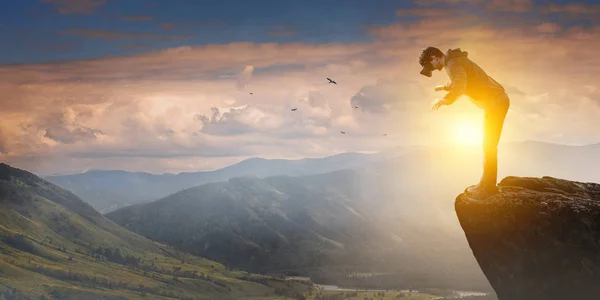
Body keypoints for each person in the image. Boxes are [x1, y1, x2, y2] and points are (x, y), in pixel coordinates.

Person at [418, 46, 510, 198]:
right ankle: (487, 183)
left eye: (431, 66)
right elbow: (463, 79)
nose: (433, 69)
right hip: (497, 101)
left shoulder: (453, 63)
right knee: (489, 145)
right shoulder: (455, 61)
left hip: (496, 102)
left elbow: (460, 85)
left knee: (489, 145)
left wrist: (446, 100)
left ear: (434, 58)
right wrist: (445, 87)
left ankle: (487, 186)